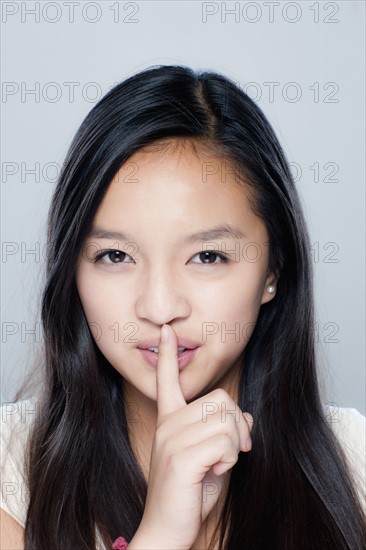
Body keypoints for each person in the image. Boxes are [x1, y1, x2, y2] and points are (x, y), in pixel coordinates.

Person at [1, 64, 365, 550]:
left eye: (208, 256)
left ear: (272, 272)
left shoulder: (355, 462)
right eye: (115, 256)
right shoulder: (10, 472)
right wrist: (163, 535)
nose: (159, 306)